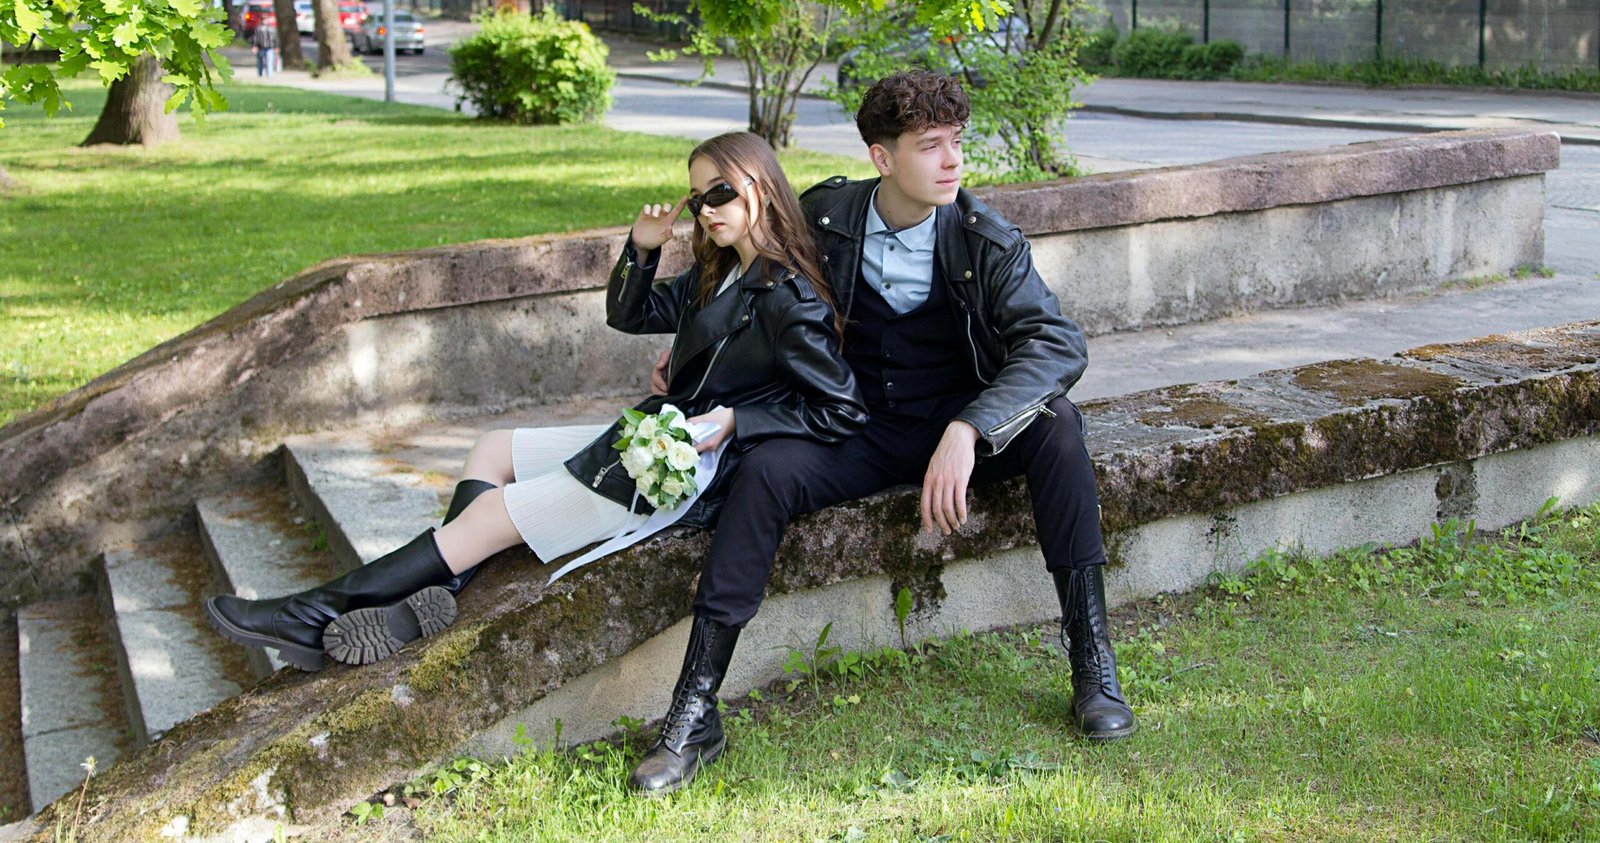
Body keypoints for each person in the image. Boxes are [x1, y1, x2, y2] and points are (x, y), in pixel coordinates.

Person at [628, 69, 1134, 795]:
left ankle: (1093, 664)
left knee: (1058, 427)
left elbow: (1056, 345)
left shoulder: (986, 239)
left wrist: (969, 427)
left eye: (956, 141)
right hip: (854, 426)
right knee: (765, 472)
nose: (953, 161)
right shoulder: (825, 215)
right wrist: (691, 355)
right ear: (882, 157)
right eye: (931, 146)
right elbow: (750, 283)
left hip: (955, 424)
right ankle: (695, 712)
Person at [203, 132, 866, 685]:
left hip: (682, 471)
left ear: (760, 186)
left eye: (720, 192)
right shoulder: (718, 272)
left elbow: (841, 408)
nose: (706, 209)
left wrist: (736, 419)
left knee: (489, 516)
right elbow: (629, 314)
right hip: (648, 438)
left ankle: (309, 614)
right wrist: (642, 248)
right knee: (493, 449)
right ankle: (445, 586)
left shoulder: (789, 298)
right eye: (698, 197)